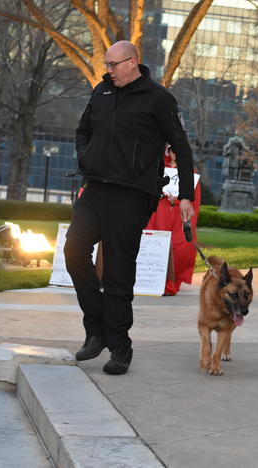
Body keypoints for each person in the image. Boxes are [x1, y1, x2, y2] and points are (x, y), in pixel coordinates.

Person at [65, 41, 195, 375]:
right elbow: (83, 131)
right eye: (106, 64)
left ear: (132, 62)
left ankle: (120, 348)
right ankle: (96, 330)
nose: (107, 70)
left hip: (133, 194)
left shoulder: (158, 99)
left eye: (112, 64)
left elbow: (181, 145)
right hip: (95, 188)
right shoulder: (102, 92)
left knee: (117, 272)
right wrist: (86, 155)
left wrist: (185, 197)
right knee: (73, 252)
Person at [145, 144, 202, 296]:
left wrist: (178, 201)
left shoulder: (191, 174)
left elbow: (193, 202)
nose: (176, 153)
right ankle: (151, 279)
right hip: (159, 213)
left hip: (178, 216)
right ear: (168, 151)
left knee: (180, 247)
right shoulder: (158, 168)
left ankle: (172, 281)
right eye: (173, 149)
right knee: (154, 243)